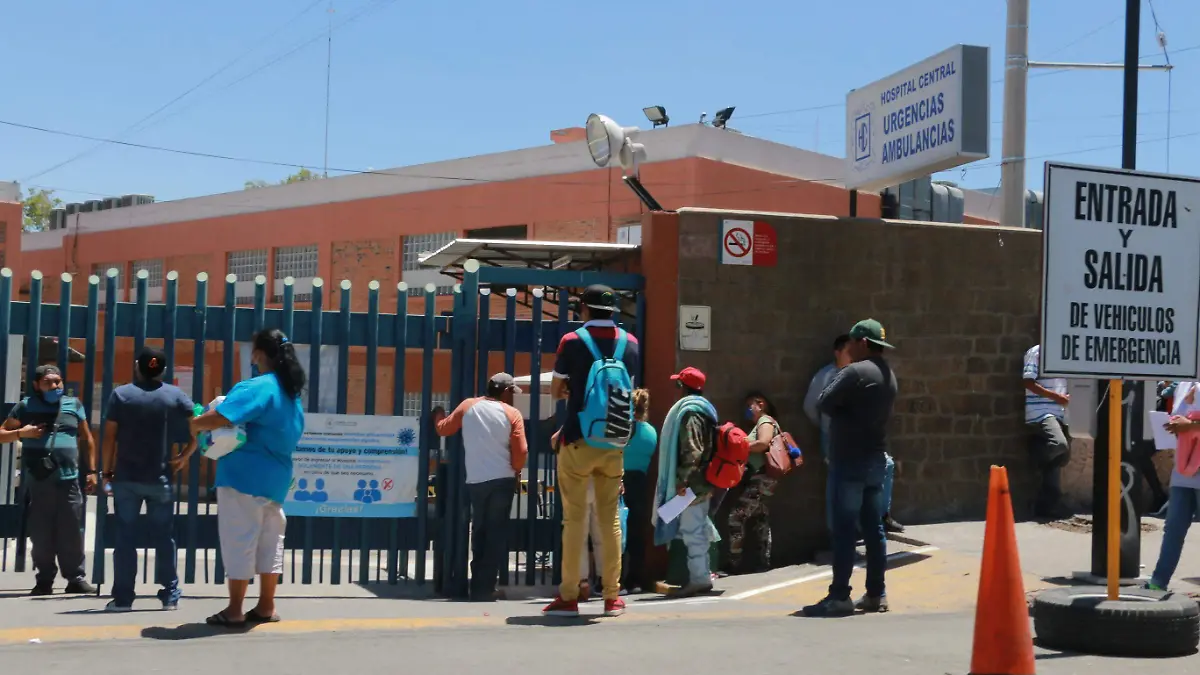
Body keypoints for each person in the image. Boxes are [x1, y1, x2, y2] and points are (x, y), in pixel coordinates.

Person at [192, 329, 305, 627]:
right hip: (277, 481)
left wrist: (193, 424)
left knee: (239, 540)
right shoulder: (291, 394)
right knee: (271, 543)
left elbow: (222, 417)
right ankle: (266, 606)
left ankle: (234, 610)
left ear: (259, 354)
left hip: (244, 478)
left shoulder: (259, 386)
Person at [543, 285, 639, 618]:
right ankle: (612, 596)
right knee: (610, 518)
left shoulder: (572, 341)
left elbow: (557, 391)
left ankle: (569, 594)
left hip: (578, 439)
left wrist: (573, 388)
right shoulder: (631, 344)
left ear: (583, 308)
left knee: (575, 520)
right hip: (614, 442)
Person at [804, 319, 898, 617]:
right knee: (874, 529)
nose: (849, 348)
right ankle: (875, 593)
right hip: (875, 459)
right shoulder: (888, 375)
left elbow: (824, 402)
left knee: (844, 530)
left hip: (849, 461)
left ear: (864, 344)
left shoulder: (855, 372)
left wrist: (845, 410)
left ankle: (840, 596)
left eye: (853, 343)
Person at [102, 347, 197, 611]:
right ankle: (169, 594)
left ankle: (123, 598)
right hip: (161, 478)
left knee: (125, 538)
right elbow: (197, 427)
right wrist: (186, 456)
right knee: (164, 537)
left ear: (137, 366)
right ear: (163, 370)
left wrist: (106, 472)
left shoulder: (120, 395)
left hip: (126, 477)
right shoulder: (175, 395)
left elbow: (109, 436)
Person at [5, 365, 97, 596]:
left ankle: (75, 578)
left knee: (72, 529)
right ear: (36, 385)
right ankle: (44, 579)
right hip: (39, 479)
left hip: (69, 479)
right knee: (41, 531)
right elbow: (2, 433)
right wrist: (21, 434)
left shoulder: (74, 405)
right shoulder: (25, 407)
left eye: (58, 381)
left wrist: (93, 470)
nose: (55, 386)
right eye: (48, 382)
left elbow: (87, 439)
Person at [435, 372, 528, 602]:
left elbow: (444, 429)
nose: (513, 397)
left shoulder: (468, 406)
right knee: (495, 534)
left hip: (476, 481)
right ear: (505, 391)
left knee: (479, 532)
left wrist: (437, 416)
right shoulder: (512, 413)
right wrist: (516, 470)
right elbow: (522, 451)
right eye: (512, 392)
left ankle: (476, 584)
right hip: (503, 480)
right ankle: (485, 588)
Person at [804, 335, 904, 534]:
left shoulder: (862, 372)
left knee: (886, 467)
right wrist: (827, 426)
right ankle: (839, 533)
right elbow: (812, 406)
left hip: (864, 440)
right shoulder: (826, 375)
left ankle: (879, 517)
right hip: (835, 437)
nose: (850, 354)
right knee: (838, 486)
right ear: (837, 352)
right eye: (846, 350)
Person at [654, 367, 719, 598]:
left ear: (683, 387)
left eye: (678, 385)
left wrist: (683, 481)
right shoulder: (705, 411)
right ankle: (694, 575)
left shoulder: (690, 413)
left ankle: (700, 579)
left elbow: (693, 451)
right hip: (701, 482)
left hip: (692, 484)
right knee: (688, 526)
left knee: (692, 529)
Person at [1147, 409, 1200, 590]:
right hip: (1183, 470)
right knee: (1173, 529)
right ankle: (1158, 583)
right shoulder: (1184, 384)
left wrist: (1191, 425)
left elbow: (1188, 424)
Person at [727, 391, 779, 574]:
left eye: (750, 405)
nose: (747, 410)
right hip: (764, 479)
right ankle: (763, 562)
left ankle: (735, 563)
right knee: (760, 518)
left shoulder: (765, 421)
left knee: (736, 516)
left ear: (761, 404)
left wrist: (738, 446)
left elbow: (763, 443)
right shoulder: (759, 423)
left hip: (762, 478)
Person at [1022, 344, 1072, 520]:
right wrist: (1054, 397)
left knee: (1061, 458)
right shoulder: (1036, 352)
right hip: (1041, 411)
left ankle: (1047, 505)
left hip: (1061, 412)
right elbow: (1028, 381)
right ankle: (1036, 455)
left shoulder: (1065, 349)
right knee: (1059, 444)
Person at [621, 388, 656, 593]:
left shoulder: (623, 430)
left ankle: (614, 579)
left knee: (616, 529)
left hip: (621, 479)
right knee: (637, 532)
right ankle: (635, 580)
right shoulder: (651, 432)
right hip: (641, 481)